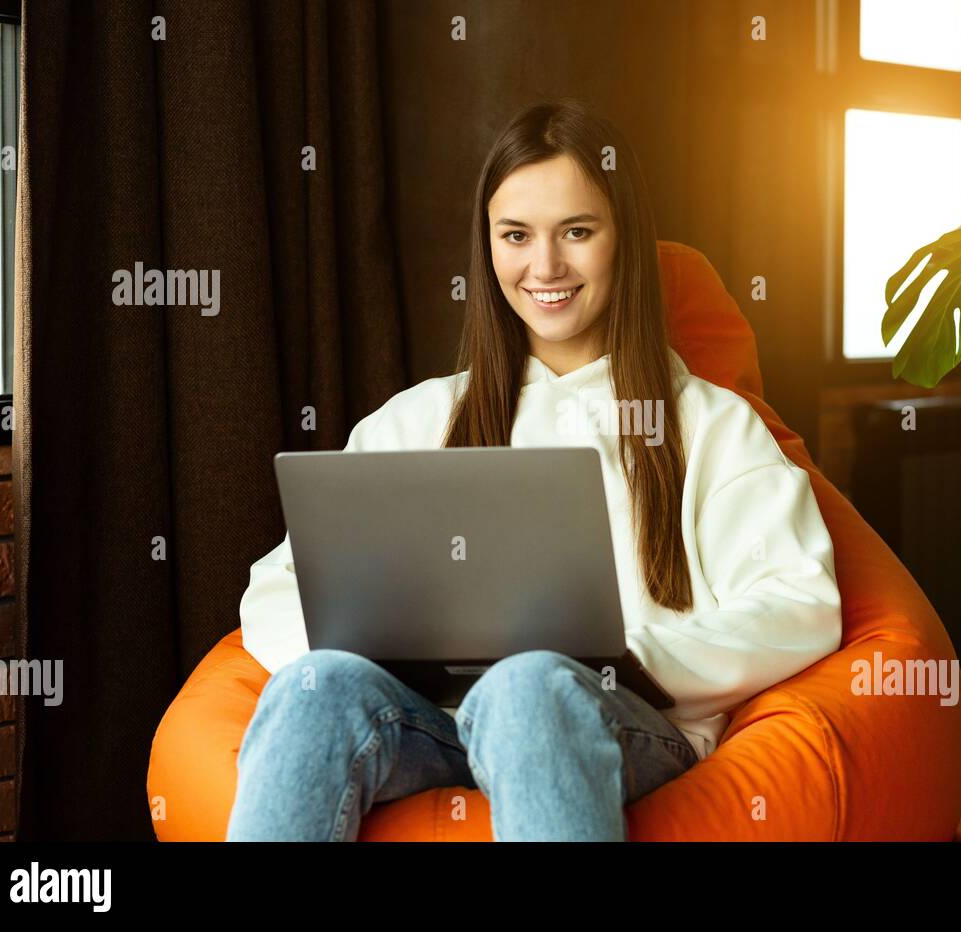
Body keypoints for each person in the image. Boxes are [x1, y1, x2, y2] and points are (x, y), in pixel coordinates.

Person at [226, 98, 842, 842]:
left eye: (577, 232)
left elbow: (803, 602)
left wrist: (626, 660)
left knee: (528, 683)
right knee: (312, 688)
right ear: (488, 247)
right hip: (437, 724)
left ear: (625, 240)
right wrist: (382, 659)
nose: (544, 267)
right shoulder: (417, 419)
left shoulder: (710, 425)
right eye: (515, 236)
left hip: (621, 722)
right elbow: (276, 590)